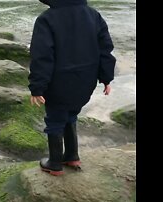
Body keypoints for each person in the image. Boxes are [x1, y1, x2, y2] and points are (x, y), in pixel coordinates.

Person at [29, 0, 116, 176]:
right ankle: (72, 156)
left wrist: (37, 87)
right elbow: (105, 49)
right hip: (86, 81)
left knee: (55, 119)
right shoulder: (94, 15)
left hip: (58, 82)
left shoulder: (46, 19)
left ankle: (54, 163)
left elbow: (42, 56)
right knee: (71, 114)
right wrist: (106, 78)